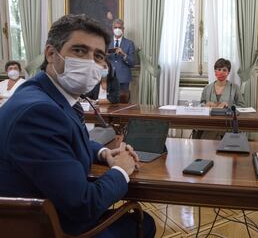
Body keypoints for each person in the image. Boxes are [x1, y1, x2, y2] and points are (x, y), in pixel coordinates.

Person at [0, 14, 155, 238]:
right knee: (143, 221)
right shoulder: (39, 113)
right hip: (49, 228)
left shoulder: (42, 92)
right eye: (80, 51)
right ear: (51, 53)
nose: (91, 62)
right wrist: (121, 169)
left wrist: (104, 153)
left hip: (47, 214)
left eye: (99, 56)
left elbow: (64, 139)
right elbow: (84, 205)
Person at [106, 18, 136, 93]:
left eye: (119, 28)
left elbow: (132, 62)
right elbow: (99, 59)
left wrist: (124, 54)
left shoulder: (129, 43)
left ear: (123, 29)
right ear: (112, 29)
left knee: (124, 101)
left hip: (124, 78)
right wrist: (106, 54)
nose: (117, 29)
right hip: (108, 77)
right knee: (108, 101)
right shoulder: (107, 42)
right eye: (115, 27)